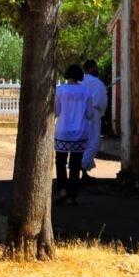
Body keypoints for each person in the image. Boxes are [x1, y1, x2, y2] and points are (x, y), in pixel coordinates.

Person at [54, 64, 93, 206]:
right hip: (80, 131)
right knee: (75, 165)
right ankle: (72, 195)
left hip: (62, 131)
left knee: (60, 163)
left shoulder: (60, 90)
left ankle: (62, 191)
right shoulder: (86, 91)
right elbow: (90, 114)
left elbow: (56, 112)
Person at [81, 59, 108, 176]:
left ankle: (84, 172)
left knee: (83, 142)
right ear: (91, 68)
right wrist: (101, 112)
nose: (97, 69)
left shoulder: (79, 81)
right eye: (95, 67)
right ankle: (80, 165)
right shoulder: (97, 83)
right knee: (94, 142)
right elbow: (101, 101)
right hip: (93, 113)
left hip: (80, 115)